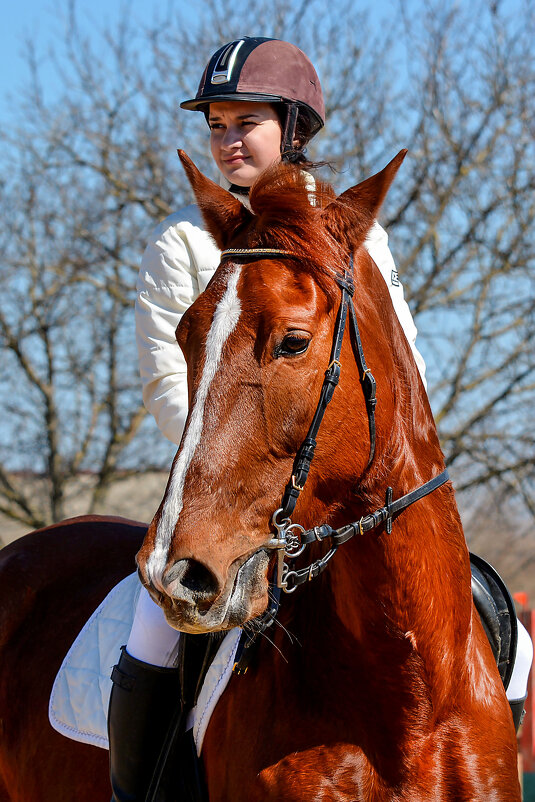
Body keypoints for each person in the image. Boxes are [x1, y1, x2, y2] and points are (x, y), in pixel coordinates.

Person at [108, 36, 533, 801]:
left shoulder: (360, 237)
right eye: (216, 125)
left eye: (247, 122)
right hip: (230, 489)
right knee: (154, 627)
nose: (228, 139)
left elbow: (404, 376)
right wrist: (233, 461)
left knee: (511, 637)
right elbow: (170, 387)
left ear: (294, 129)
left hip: (345, 498)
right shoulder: (183, 242)